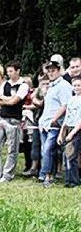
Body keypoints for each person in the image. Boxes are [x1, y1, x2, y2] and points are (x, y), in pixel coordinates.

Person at [39, 60, 73, 188]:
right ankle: (49, 174)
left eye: (53, 70)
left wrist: (55, 118)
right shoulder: (51, 86)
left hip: (55, 124)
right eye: (49, 70)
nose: (51, 73)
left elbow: (65, 105)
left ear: (59, 70)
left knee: (48, 149)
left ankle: (47, 175)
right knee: (46, 150)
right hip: (45, 123)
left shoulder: (64, 85)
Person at [57, 77, 81, 187]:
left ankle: (74, 181)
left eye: (79, 85)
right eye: (75, 85)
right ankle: (68, 180)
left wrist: (72, 133)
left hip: (76, 130)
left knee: (71, 156)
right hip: (69, 128)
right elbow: (67, 117)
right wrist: (62, 132)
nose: (76, 87)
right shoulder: (71, 99)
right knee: (66, 156)